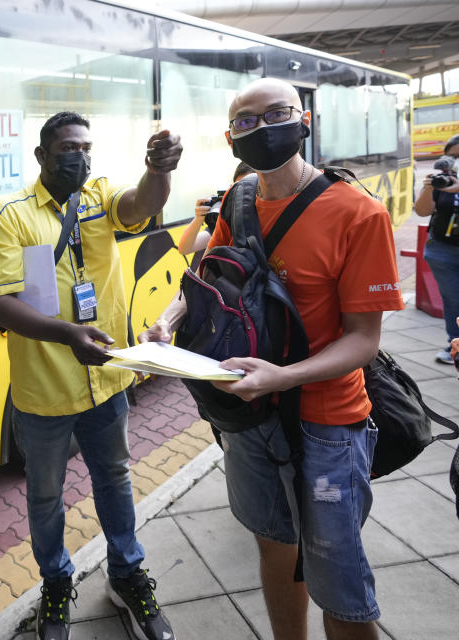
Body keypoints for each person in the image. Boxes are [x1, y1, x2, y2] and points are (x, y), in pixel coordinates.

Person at [143, 78, 404, 640]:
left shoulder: (358, 213)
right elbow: (202, 283)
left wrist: (282, 376)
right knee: (274, 544)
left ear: (304, 119)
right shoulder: (237, 202)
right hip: (249, 418)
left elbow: (364, 340)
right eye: (245, 121)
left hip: (328, 422)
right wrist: (166, 322)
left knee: (337, 574)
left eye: (275, 114)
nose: (261, 129)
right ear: (231, 137)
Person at [0, 111, 182, 640]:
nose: (80, 157)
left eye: (86, 148)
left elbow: (143, 204)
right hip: (43, 392)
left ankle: (126, 575)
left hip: (107, 383)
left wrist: (158, 170)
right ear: (42, 156)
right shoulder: (9, 216)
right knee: (45, 496)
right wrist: (68, 333)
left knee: (114, 478)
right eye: (68, 148)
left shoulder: (99, 197)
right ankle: (55, 583)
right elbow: (0, 305)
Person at [414, 144, 459, 364]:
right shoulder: (443, 179)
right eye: (451, 155)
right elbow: (422, 211)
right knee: (452, 299)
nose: (454, 160)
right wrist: (431, 188)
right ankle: (455, 345)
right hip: (443, 249)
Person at [176, 161, 253, 254]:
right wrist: (198, 219)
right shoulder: (227, 222)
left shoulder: (268, 217)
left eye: (249, 188)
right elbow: (185, 249)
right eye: (238, 188)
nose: (242, 195)